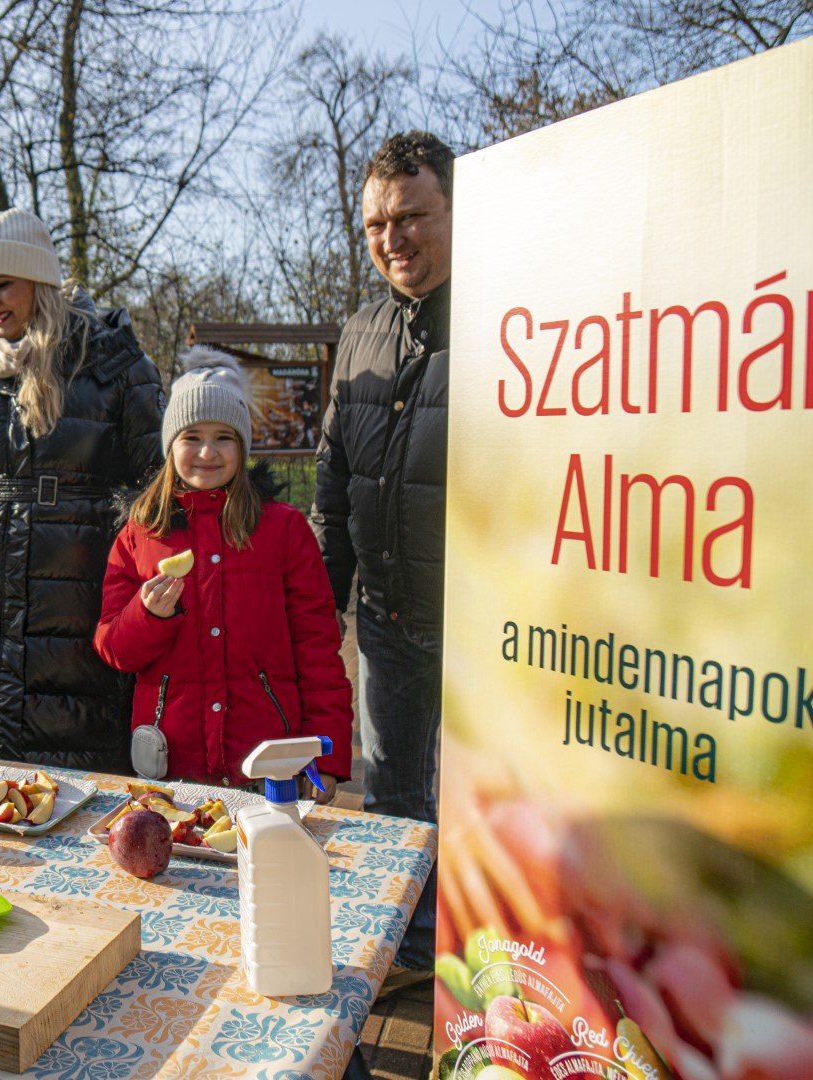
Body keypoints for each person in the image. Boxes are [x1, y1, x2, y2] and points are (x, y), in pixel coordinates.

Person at [0, 207, 163, 771]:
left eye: (2, 284)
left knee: (80, 775)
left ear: (41, 283)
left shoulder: (113, 363)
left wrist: (106, 525)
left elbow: (156, 482)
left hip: (79, 595)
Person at [311, 130, 453, 971]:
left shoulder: (513, 311)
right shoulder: (361, 331)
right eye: (373, 225)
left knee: (478, 807)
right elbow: (331, 479)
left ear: (454, 211)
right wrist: (324, 602)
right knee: (394, 798)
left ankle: (478, 969)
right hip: (387, 621)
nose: (390, 239)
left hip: (486, 623)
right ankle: (411, 966)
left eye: (410, 217)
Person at [95, 348, 352, 789]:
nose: (207, 452)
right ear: (170, 445)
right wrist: (149, 615)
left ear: (244, 445)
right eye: (191, 436)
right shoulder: (140, 533)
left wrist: (326, 756)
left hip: (269, 764)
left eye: (224, 437)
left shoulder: (285, 529)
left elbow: (319, 652)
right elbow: (114, 649)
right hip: (171, 765)